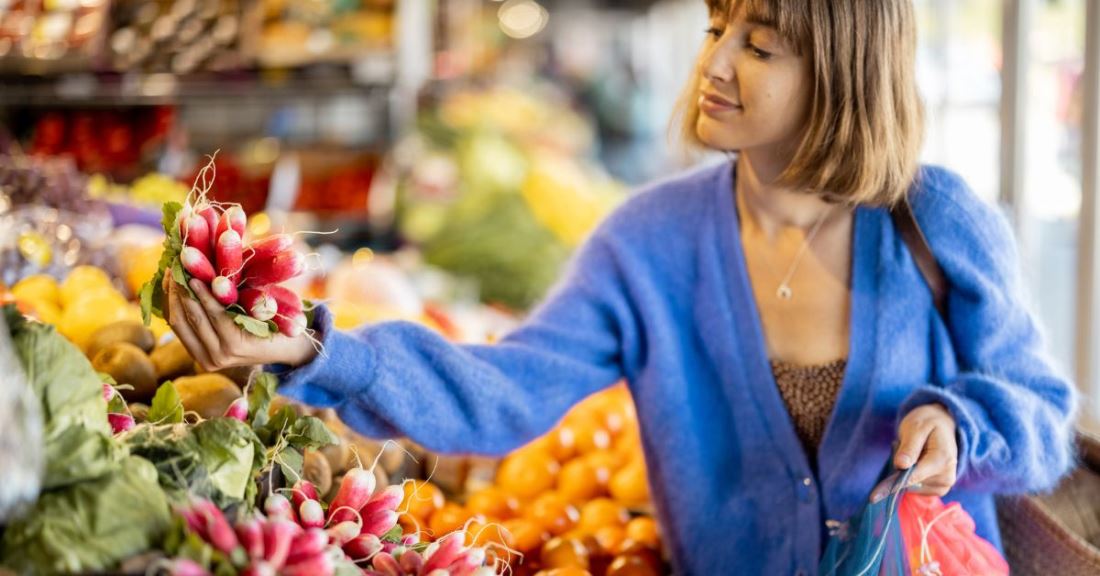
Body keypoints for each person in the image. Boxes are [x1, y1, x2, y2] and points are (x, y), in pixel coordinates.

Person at [165, 0, 1078, 573]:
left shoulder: (933, 219)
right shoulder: (650, 243)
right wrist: (320, 349)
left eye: (759, 45)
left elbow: (1040, 418)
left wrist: (963, 427)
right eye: (717, 25)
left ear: (842, 72)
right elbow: (504, 390)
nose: (714, 64)